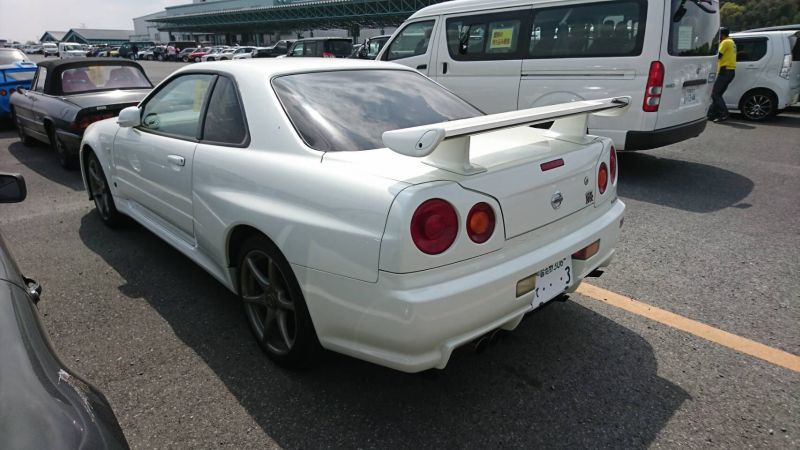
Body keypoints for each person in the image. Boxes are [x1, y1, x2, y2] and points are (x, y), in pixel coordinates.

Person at [708, 27, 737, 123]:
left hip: (725, 71)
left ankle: (724, 114)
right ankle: (711, 114)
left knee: (715, 94)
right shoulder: (731, 42)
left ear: (722, 35)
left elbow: (718, 55)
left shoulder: (725, 42)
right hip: (730, 71)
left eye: (719, 35)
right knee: (718, 94)